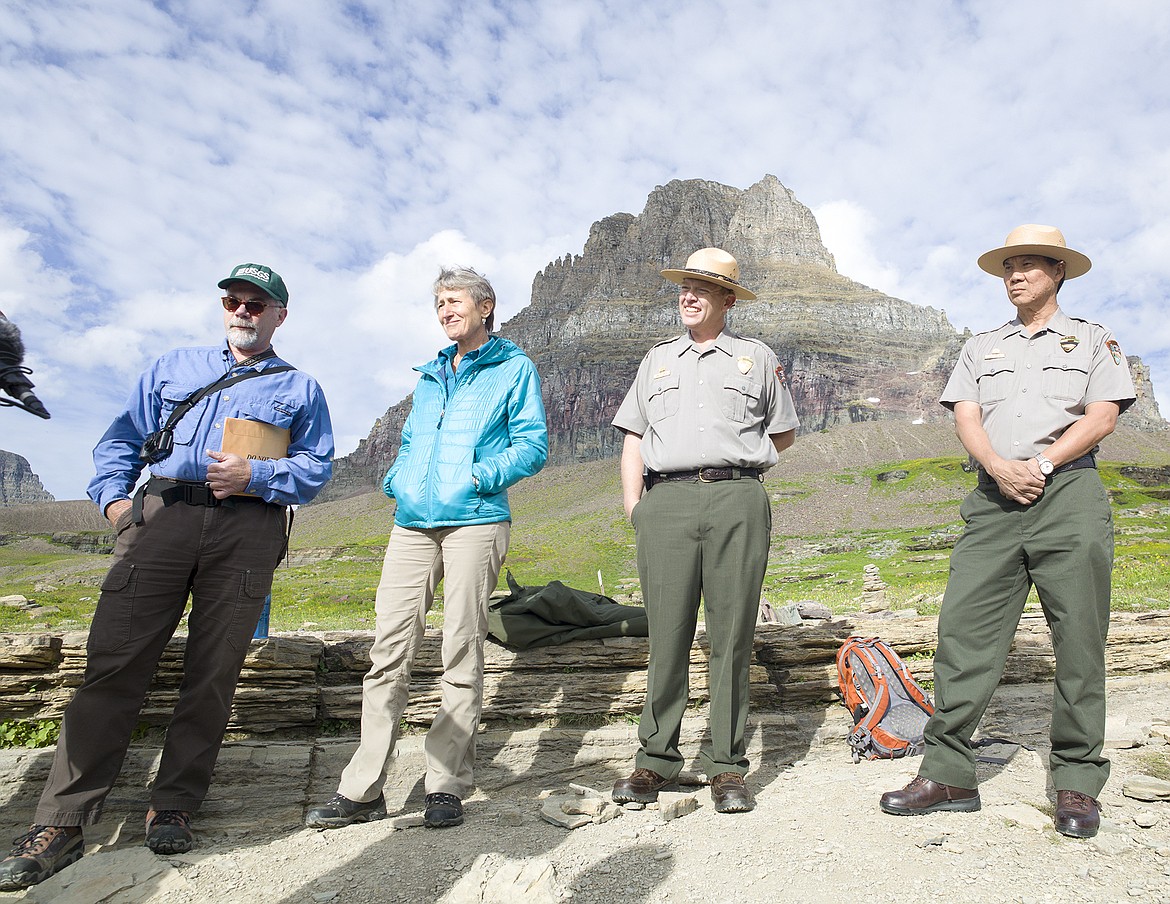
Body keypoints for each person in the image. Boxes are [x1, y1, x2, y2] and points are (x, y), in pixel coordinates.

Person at [0, 263, 334, 891]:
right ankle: (62, 822)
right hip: (163, 517)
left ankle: (174, 804)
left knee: (213, 671)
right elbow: (120, 440)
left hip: (249, 528)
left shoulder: (302, 388)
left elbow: (317, 469)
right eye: (234, 300)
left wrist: (256, 478)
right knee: (113, 663)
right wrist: (119, 507)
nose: (243, 310)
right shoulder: (171, 367)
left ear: (280, 316)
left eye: (257, 304)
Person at [879, 225, 1136, 839]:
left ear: (1058, 273)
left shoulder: (1093, 341)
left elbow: (1103, 415)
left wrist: (1043, 465)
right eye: (1008, 267)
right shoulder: (981, 347)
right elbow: (966, 414)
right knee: (962, 633)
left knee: (1078, 638)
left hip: (1068, 493)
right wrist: (998, 466)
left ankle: (1075, 779)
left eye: (1028, 265)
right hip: (993, 499)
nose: (1015, 276)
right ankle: (949, 774)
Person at [305, 266, 547, 831]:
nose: (444, 310)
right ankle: (364, 788)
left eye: (454, 300)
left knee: (460, 648)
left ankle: (445, 785)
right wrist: (399, 480)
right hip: (413, 522)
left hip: (477, 519)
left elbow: (533, 446)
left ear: (485, 306)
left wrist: (476, 477)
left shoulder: (514, 368)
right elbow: (413, 439)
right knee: (388, 650)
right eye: (437, 302)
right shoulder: (431, 375)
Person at [609, 247, 798, 814]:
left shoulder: (756, 358)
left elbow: (783, 432)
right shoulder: (656, 360)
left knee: (732, 636)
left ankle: (725, 765)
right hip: (664, 504)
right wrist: (634, 505)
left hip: (737, 498)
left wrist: (745, 457)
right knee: (666, 635)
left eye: (702, 288)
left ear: (728, 299)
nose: (688, 296)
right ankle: (654, 760)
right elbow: (634, 437)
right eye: (683, 287)